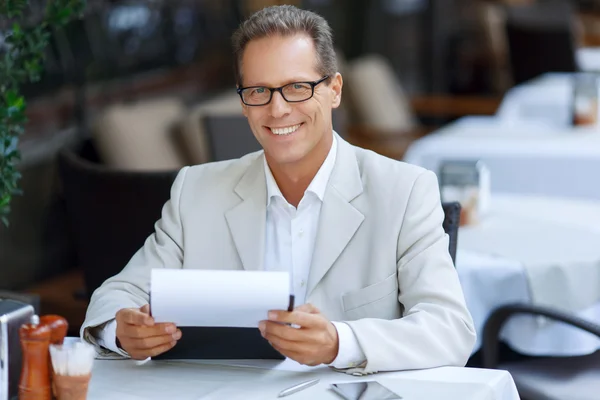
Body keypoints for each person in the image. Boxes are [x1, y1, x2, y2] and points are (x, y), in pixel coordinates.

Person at [81, 5, 476, 375]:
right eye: (259, 91)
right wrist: (122, 330)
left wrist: (342, 341)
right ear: (243, 103)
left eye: (298, 87)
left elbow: (450, 328)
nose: (278, 109)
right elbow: (115, 295)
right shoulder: (196, 190)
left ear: (334, 90)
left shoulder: (404, 191)